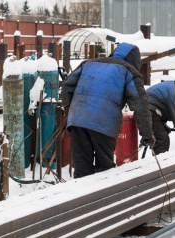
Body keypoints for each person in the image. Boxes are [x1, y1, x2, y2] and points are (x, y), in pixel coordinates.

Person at [62, 42, 154, 178]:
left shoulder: (88, 64)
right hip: (104, 123)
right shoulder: (129, 71)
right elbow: (140, 104)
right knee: (104, 170)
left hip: (78, 121)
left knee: (82, 168)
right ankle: (103, 198)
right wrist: (147, 134)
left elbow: (67, 86)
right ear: (134, 60)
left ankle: (84, 198)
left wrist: (70, 112)